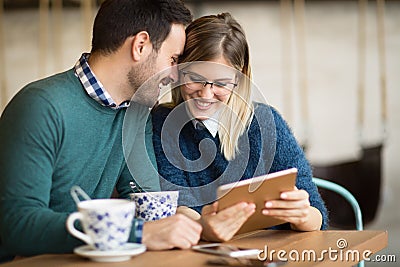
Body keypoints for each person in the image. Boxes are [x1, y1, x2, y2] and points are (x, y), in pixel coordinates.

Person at [0, 0, 202, 262]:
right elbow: (18, 224)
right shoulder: (40, 106)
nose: (175, 76)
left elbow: (147, 205)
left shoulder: (137, 113)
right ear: (140, 46)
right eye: (173, 59)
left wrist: (199, 220)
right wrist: (138, 233)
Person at [152, 12, 329, 242]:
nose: (206, 94)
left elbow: (317, 216)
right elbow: (176, 206)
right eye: (194, 78)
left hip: (272, 252)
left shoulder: (266, 122)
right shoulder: (162, 124)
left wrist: (302, 214)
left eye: (221, 84)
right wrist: (203, 226)